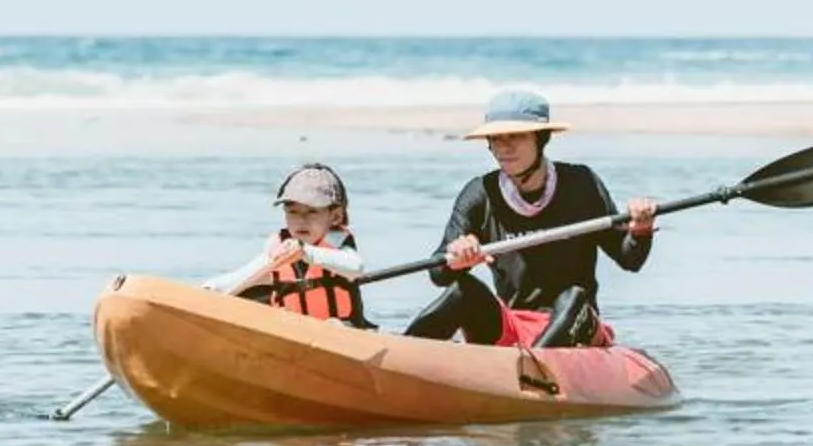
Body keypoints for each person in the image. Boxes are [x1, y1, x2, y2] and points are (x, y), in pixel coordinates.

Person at [405, 89, 654, 348]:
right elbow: (437, 272)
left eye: (516, 136)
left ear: (541, 138)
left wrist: (640, 230)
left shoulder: (581, 184)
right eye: (496, 138)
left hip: (576, 323)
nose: (504, 147)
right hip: (512, 326)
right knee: (463, 290)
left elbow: (629, 259)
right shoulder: (480, 194)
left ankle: (532, 371)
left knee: (573, 296)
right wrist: (455, 261)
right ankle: (398, 359)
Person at [205, 162, 369, 327]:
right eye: (292, 212)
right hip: (295, 336)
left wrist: (305, 253)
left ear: (335, 217)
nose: (301, 220)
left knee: (334, 324)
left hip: (344, 334)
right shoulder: (279, 253)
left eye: (312, 211)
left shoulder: (338, 252)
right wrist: (204, 292)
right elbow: (233, 281)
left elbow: (357, 267)